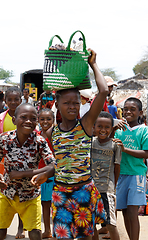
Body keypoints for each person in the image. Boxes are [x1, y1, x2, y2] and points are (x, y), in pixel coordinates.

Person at [31, 49, 109, 240]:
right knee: (62, 236)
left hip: (83, 191)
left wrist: (93, 64)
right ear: (57, 104)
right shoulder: (52, 133)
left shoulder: (86, 124)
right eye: (67, 103)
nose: (72, 106)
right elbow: (60, 164)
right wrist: (45, 175)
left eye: (75, 102)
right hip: (61, 193)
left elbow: (104, 91)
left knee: (85, 237)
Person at [0, 103, 55, 240]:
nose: (28, 121)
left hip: (31, 195)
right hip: (7, 193)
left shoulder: (39, 141)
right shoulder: (5, 139)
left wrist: (25, 173)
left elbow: (53, 165)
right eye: (23, 117)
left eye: (33, 118)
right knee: (1, 230)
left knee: (35, 232)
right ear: (14, 120)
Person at [114, 97, 148, 240]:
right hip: (121, 174)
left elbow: (146, 153)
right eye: (125, 109)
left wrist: (125, 149)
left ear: (140, 112)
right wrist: (113, 130)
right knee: (124, 211)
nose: (128, 112)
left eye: (132, 109)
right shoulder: (119, 129)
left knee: (132, 212)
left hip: (136, 175)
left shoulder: (143, 130)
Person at [0, 86, 25, 238]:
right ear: (5, 101)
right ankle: (3, 226)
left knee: (22, 194)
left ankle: (21, 229)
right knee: (6, 196)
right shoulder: (1, 118)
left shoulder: (26, 115)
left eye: (16, 99)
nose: (13, 102)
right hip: (4, 163)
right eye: (10, 99)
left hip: (23, 163)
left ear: (21, 100)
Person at [91, 111, 121, 240]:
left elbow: (117, 167)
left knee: (110, 224)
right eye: (100, 126)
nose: (103, 130)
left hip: (106, 190)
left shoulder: (115, 145)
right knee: (91, 224)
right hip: (91, 189)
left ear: (111, 128)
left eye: (107, 127)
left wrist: (113, 185)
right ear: (94, 127)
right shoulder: (90, 143)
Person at [38, 108, 55, 239]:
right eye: (42, 119)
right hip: (40, 174)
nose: (45, 121)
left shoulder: (55, 135)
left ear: (53, 121)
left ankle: (56, 231)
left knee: (55, 204)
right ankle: (47, 230)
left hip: (54, 175)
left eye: (48, 119)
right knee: (45, 204)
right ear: (38, 120)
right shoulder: (36, 136)